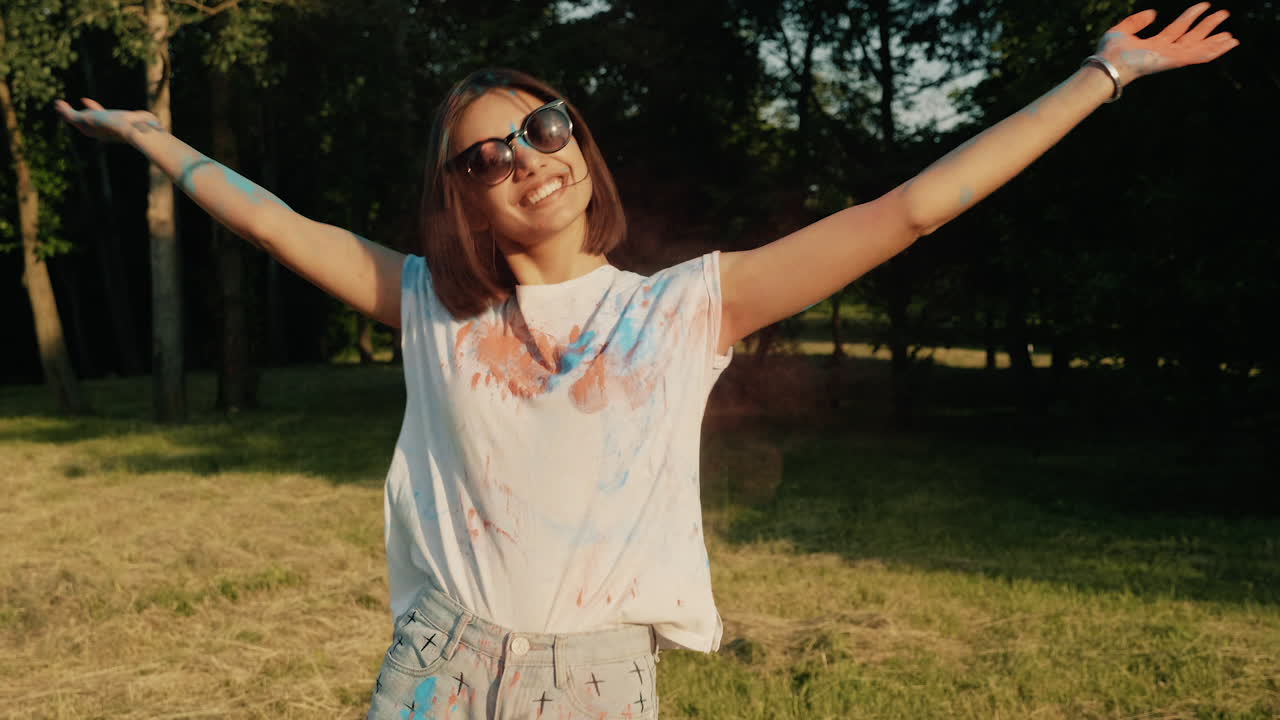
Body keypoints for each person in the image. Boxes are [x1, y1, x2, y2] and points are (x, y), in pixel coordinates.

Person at [55, 5, 1237, 718]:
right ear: (457, 199)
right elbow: (272, 221)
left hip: (592, 681)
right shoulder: (427, 305)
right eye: (486, 155)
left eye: (543, 126)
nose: (527, 157)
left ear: (578, 143)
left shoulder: (683, 308)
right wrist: (159, 140)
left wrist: (1102, 73)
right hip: (439, 661)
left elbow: (911, 209)